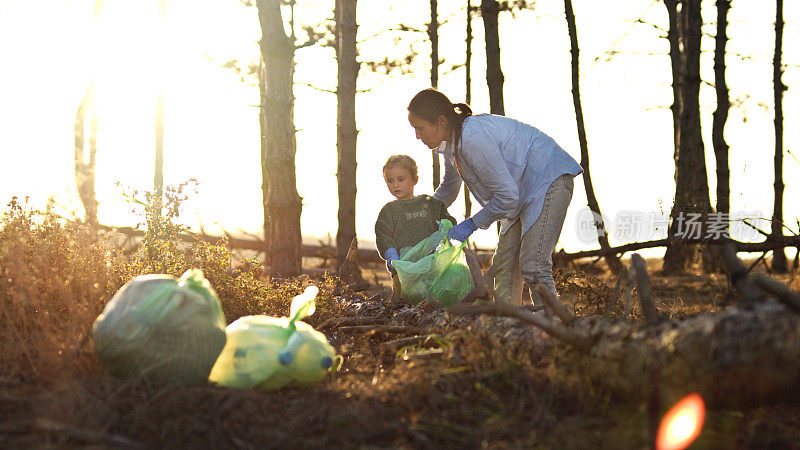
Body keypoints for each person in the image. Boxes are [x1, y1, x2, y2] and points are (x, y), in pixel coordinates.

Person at [407, 88, 582, 314]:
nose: (417, 136)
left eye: (420, 128)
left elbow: (507, 197)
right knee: (505, 267)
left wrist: (470, 224)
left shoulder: (471, 138)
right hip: (520, 192)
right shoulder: (449, 145)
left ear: (440, 121)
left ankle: (554, 331)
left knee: (533, 266)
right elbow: (450, 188)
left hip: (548, 180)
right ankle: (509, 329)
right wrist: (421, 213)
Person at [375, 154, 457, 299]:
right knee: (404, 302)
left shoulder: (430, 204)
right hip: (402, 269)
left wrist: (448, 227)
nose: (395, 185)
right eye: (390, 181)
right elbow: (383, 234)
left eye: (401, 179)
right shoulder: (389, 210)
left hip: (430, 266)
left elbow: (447, 220)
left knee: (432, 301)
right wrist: (391, 255)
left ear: (414, 180)